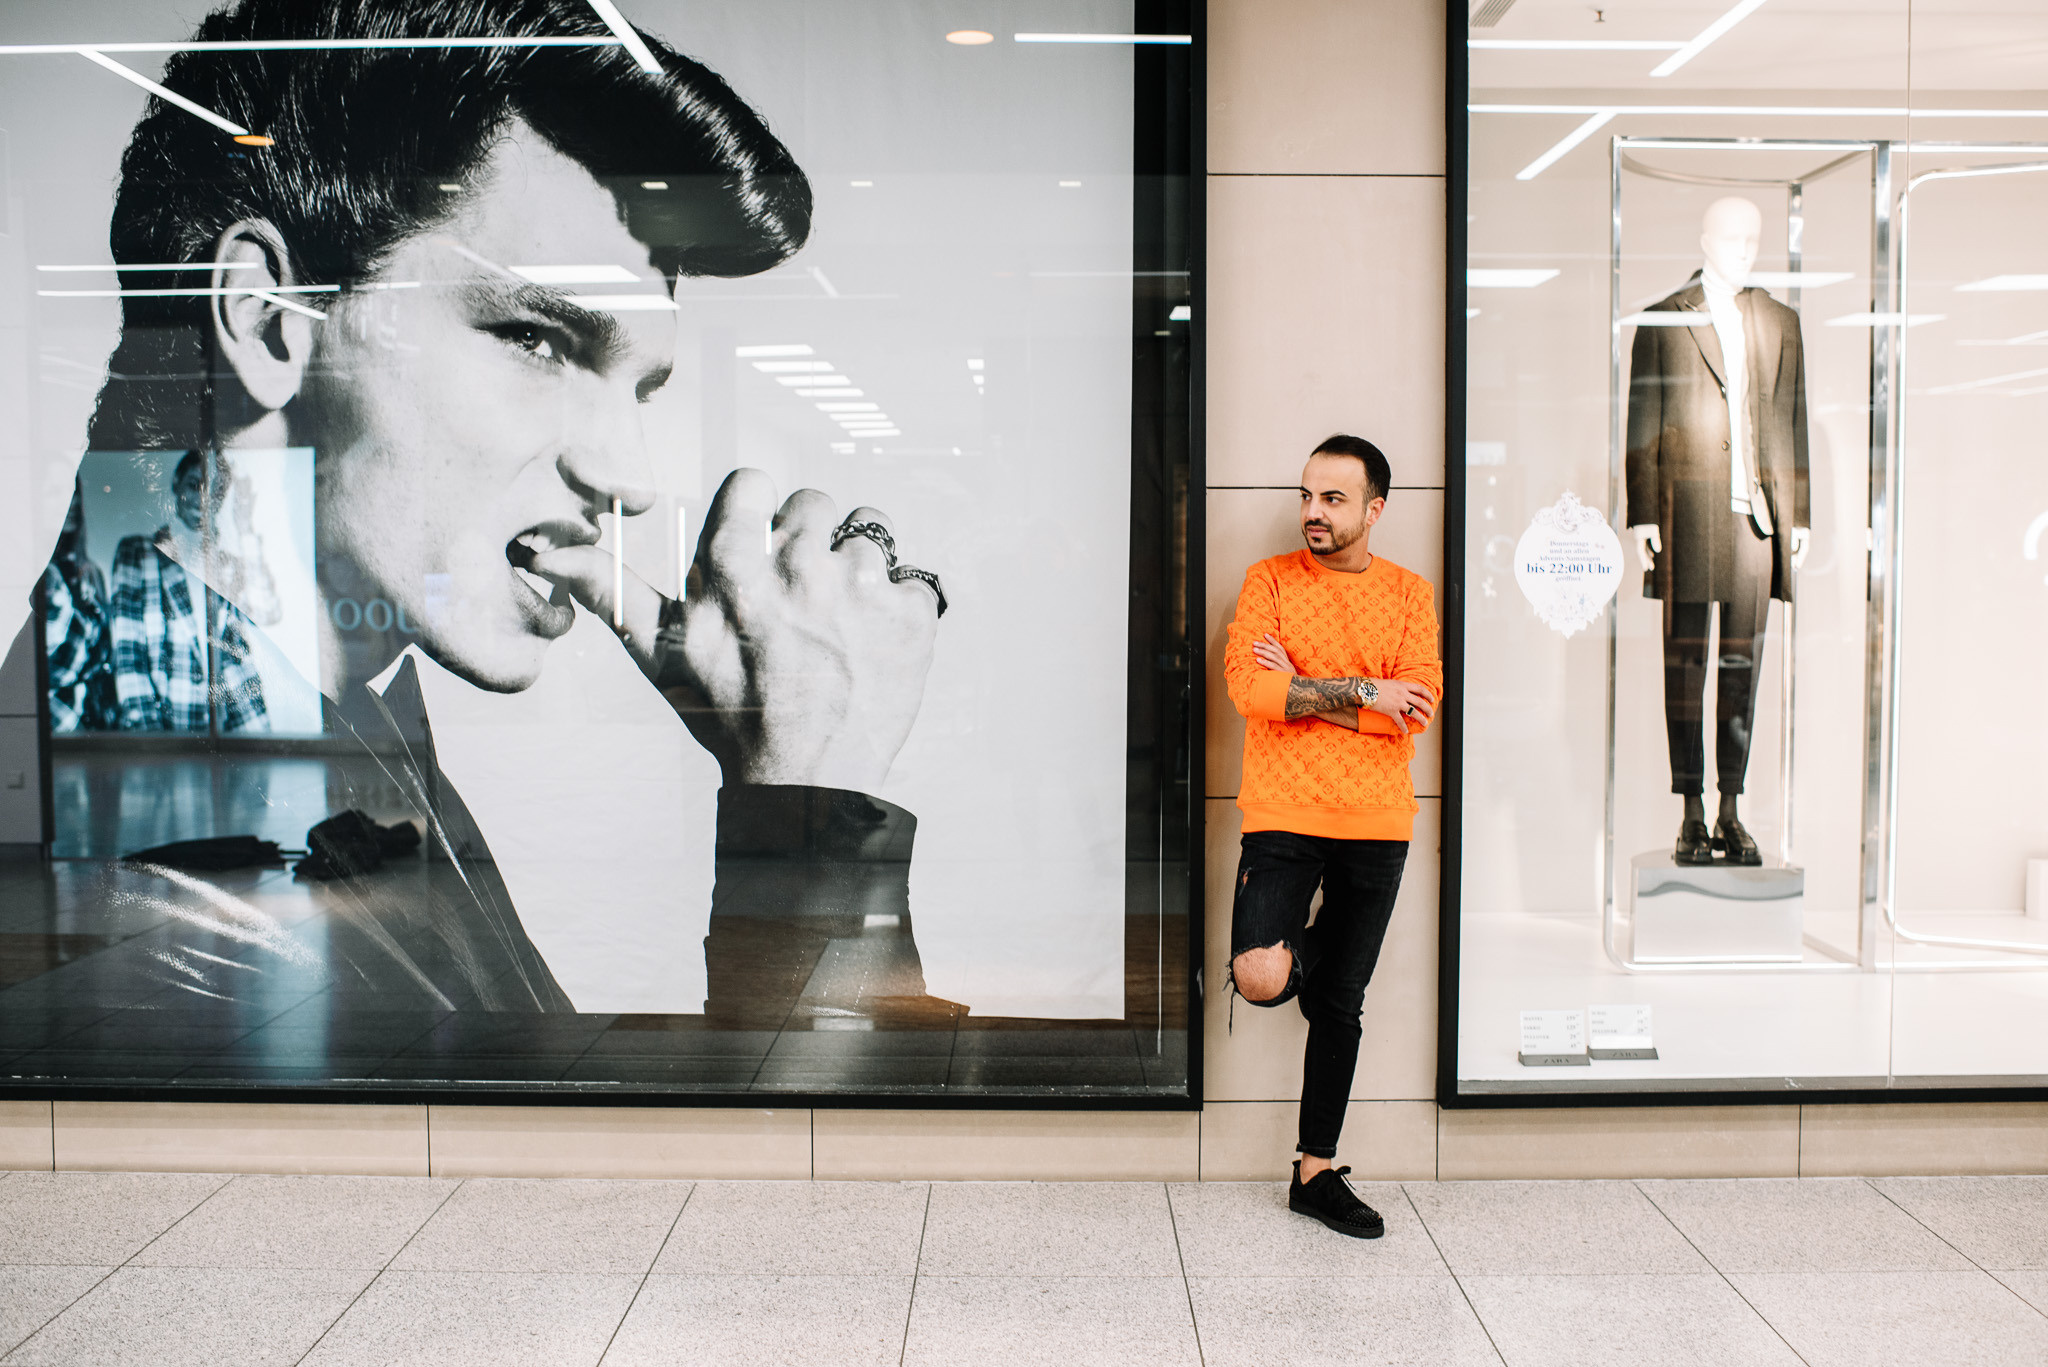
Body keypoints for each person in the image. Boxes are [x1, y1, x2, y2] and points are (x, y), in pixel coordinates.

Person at [69, 0, 945, 1015]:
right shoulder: (180, 839)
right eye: (537, 340)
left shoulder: (323, 712)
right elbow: (789, 1168)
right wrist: (809, 794)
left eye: (641, 388)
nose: (628, 475)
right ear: (271, 320)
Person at [1224, 434, 1442, 1238]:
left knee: (1340, 1006)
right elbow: (1251, 687)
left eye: (1334, 499)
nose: (1313, 512)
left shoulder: (1411, 595)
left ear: (1374, 510)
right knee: (1259, 976)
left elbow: (1417, 705)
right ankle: (1304, 959)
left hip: (1378, 820)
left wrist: (1305, 688)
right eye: (1308, 496)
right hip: (1283, 811)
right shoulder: (1269, 580)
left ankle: (1314, 1170)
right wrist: (1363, 693)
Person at [107, 451, 270, 733]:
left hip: (237, 722)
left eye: (216, 490)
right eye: (195, 485)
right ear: (175, 484)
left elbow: (265, 612)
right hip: (171, 726)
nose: (204, 498)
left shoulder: (227, 564)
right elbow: (128, 653)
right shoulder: (139, 552)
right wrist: (150, 739)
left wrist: (246, 530)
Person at [43, 491, 117, 733]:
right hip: (53, 725)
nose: (71, 502)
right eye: (59, 491)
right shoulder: (36, 577)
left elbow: (107, 653)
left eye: (74, 493)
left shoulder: (91, 574)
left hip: (93, 723)